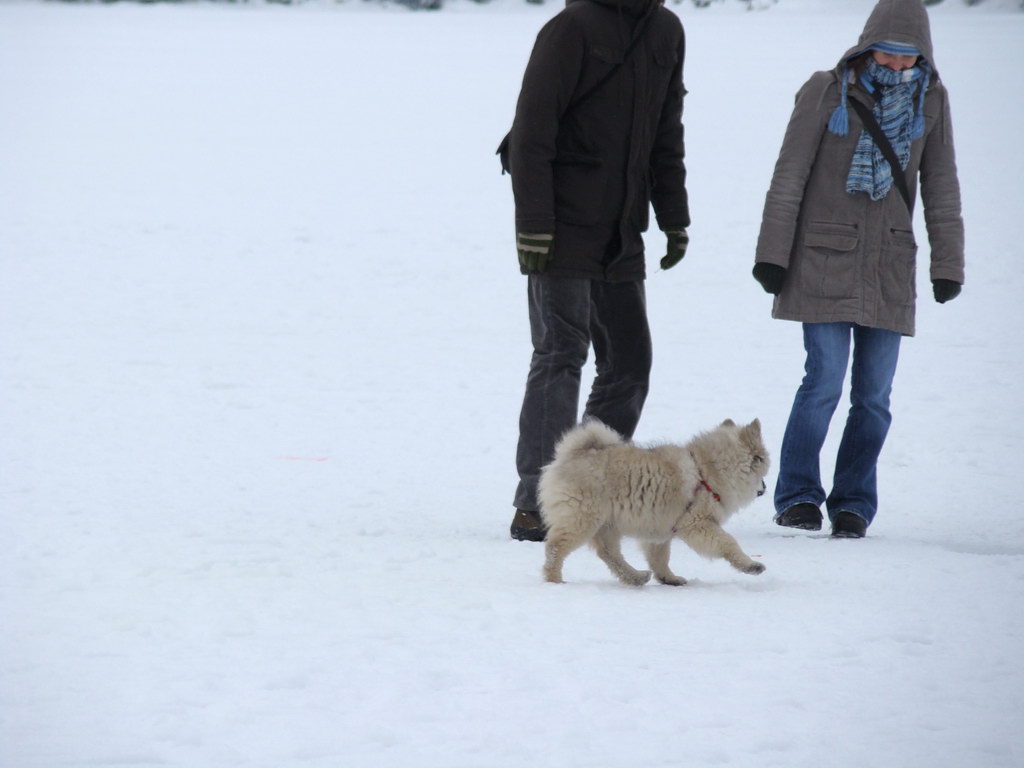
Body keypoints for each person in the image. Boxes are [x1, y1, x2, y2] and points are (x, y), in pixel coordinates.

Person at [753, 0, 964, 539]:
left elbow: (941, 188)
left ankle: (853, 502)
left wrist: (949, 263)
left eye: (907, 58)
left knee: (873, 396)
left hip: (890, 263)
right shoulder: (827, 91)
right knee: (823, 380)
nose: (895, 66)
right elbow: (789, 176)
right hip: (823, 258)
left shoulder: (931, 101)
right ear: (867, 47)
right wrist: (772, 256)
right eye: (887, 55)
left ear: (923, 57)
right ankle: (798, 496)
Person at [506, 0, 690, 541]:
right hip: (561, 223)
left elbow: (666, 133)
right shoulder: (571, 27)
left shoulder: (666, 30)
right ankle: (537, 502)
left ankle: (584, 488)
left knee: (630, 363)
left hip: (621, 229)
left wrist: (673, 216)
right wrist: (534, 224)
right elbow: (531, 131)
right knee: (561, 355)